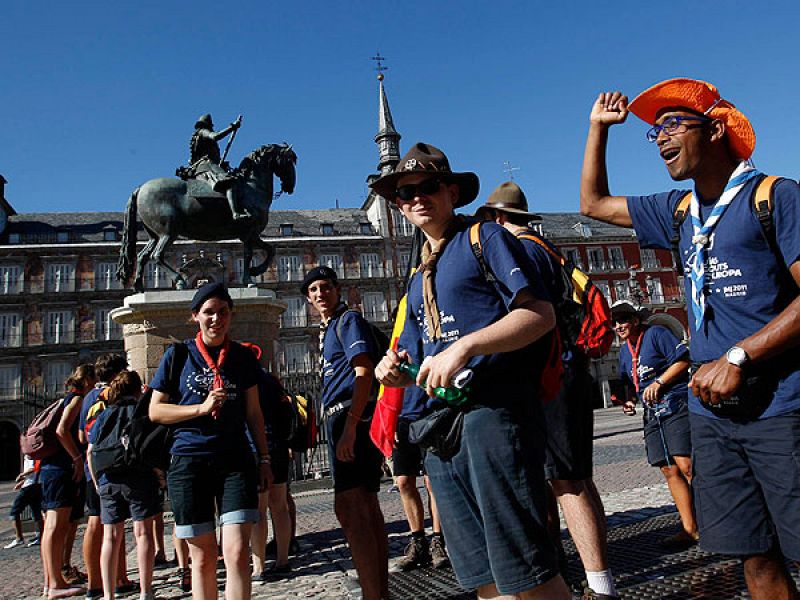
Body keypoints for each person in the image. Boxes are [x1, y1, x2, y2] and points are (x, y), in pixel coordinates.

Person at [580, 78, 800, 600]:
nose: (659, 138)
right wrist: (597, 130)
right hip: (713, 417)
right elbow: (592, 204)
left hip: (783, 406)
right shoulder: (677, 209)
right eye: (654, 131)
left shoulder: (775, 196)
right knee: (755, 554)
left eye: (674, 124)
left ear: (718, 128)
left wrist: (741, 355)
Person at [374, 142, 570, 599]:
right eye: (406, 193)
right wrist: (396, 371)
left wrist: (466, 347)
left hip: (493, 417)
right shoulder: (417, 273)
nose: (418, 197)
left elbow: (540, 314)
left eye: (429, 186)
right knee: (482, 578)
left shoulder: (485, 238)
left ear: (452, 191)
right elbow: (421, 361)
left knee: (527, 571)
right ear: (399, 206)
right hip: (440, 432)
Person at [475, 181, 618, 599]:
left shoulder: (522, 252)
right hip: (571, 368)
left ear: (498, 219)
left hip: (553, 371)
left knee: (565, 481)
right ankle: (584, 571)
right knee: (576, 478)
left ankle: (599, 586)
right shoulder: (549, 248)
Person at [149, 282, 272, 600]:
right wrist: (200, 408)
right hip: (189, 460)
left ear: (231, 315)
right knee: (201, 558)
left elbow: (254, 413)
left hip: (235, 460)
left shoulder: (243, 357)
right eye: (208, 312)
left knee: (235, 553)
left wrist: (264, 458)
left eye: (223, 312)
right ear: (195, 316)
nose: (216, 318)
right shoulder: (177, 355)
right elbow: (156, 410)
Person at [302, 265, 388, 600]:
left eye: (325, 287)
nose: (320, 294)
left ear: (338, 290)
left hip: (350, 417)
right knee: (365, 507)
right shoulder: (328, 330)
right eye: (313, 290)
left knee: (352, 510)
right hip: (346, 418)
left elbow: (364, 371)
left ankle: (372, 593)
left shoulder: (347, 321)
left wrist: (351, 427)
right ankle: (378, 590)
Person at [612, 300, 697, 547]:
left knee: (687, 465)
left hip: (674, 403)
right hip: (652, 412)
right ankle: (689, 528)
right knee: (669, 469)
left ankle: (712, 522)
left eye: (623, 320)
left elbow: (683, 360)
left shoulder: (657, 334)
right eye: (614, 322)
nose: (618, 326)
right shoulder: (624, 351)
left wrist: (659, 383)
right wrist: (628, 401)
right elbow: (630, 382)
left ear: (636, 320)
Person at [87, 370, 160, 600]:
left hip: (108, 478)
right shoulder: (140, 413)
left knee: (110, 537)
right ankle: (146, 592)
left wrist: (98, 481)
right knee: (143, 533)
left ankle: (109, 595)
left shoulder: (104, 415)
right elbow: (149, 447)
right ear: (138, 389)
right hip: (138, 476)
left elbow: (90, 450)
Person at [79, 354, 134, 600]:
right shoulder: (114, 395)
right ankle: (119, 578)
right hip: (115, 463)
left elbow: (82, 435)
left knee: (97, 523)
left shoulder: (88, 397)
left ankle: (94, 583)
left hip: (95, 466)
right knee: (113, 525)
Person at [39, 364, 95, 599]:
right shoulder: (76, 400)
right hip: (62, 468)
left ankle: (51, 581)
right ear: (88, 380)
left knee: (56, 526)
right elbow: (62, 431)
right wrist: (77, 458)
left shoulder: (65, 400)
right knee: (55, 526)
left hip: (53, 468)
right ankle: (55, 585)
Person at [241, 342, 293, 583]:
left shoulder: (246, 384)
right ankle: (283, 560)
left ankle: (259, 566)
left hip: (256, 449)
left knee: (259, 510)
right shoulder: (272, 382)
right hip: (279, 447)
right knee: (280, 507)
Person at [391, 385, 449, 571]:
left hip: (431, 412)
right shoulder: (391, 353)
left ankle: (438, 541)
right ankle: (418, 541)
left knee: (432, 481)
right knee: (403, 482)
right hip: (403, 416)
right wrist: (389, 418)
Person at [188, 113, 249, 221]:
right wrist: (232, 127)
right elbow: (215, 136)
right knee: (231, 183)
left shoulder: (197, 137)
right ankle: (235, 213)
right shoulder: (203, 132)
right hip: (207, 167)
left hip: (206, 166)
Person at [5, 454, 43, 549]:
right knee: (36, 511)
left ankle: (19, 538)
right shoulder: (37, 453)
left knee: (14, 512)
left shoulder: (30, 454)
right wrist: (22, 482)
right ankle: (40, 536)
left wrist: (22, 475)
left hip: (29, 486)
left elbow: (33, 468)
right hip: (36, 484)